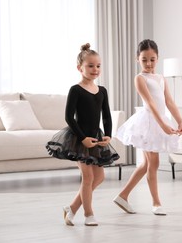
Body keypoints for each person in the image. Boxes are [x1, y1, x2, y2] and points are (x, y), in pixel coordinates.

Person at [46, 43, 118, 226]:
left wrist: (108, 135)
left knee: (99, 177)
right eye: (91, 66)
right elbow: (69, 117)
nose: (95, 69)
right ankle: (88, 214)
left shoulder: (102, 91)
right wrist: (83, 139)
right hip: (79, 138)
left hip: (96, 137)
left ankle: (71, 208)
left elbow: (107, 116)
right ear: (80, 68)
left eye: (98, 66)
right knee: (88, 178)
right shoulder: (75, 90)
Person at [113, 39, 182, 216]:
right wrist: (163, 125)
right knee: (153, 163)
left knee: (147, 164)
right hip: (148, 123)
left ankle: (122, 196)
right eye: (144, 59)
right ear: (137, 58)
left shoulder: (161, 78)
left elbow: (169, 101)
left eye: (152, 59)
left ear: (157, 58)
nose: (148, 63)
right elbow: (151, 104)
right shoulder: (140, 78)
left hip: (160, 121)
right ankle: (156, 203)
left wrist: (180, 120)